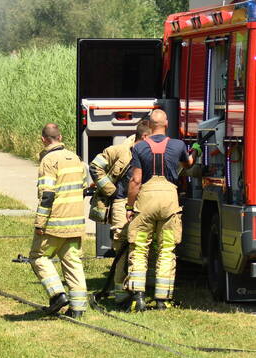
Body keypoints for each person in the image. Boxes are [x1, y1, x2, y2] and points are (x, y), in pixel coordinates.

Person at [124, 109, 195, 311]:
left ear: (149, 124)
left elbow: (136, 180)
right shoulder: (178, 145)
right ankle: (162, 299)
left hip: (146, 202)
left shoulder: (139, 148)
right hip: (169, 202)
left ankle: (138, 296)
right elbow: (188, 164)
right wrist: (195, 151)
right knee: (166, 249)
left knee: (139, 248)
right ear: (166, 123)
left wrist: (130, 206)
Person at [30, 123, 90, 319]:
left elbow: (47, 195)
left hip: (55, 225)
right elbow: (83, 187)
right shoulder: (76, 159)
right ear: (60, 136)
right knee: (72, 261)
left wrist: (40, 222)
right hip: (76, 223)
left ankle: (57, 295)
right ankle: (79, 306)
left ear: (43, 140)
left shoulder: (48, 161)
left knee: (39, 257)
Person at [89, 119, 151, 302]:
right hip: (121, 204)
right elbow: (95, 166)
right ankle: (121, 294)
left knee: (139, 245)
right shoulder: (120, 150)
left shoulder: (150, 152)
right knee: (122, 247)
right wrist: (111, 190)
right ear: (145, 136)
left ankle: (136, 289)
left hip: (143, 203)